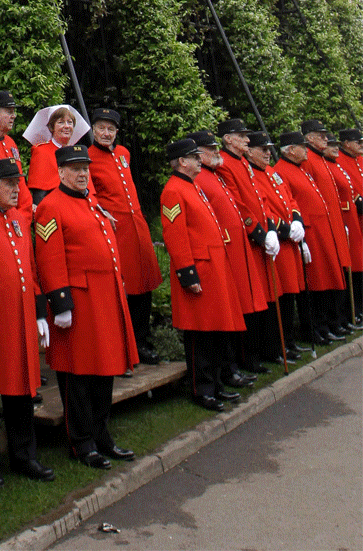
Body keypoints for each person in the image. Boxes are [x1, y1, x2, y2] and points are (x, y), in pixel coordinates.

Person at [34, 144, 138, 465]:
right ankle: (82, 443)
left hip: (103, 299)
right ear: (61, 172)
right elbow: (49, 259)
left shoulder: (92, 202)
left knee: (103, 371)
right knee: (78, 374)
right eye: (76, 169)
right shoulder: (51, 206)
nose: (82, 174)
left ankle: (101, 435)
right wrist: (60, 302)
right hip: (78, 302)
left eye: (85, 169)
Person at [0, 157, 53, 488]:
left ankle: (25, 454)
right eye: (10, 184)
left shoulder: (18, 218)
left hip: (19, 315)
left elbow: (28, 266)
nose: (18, 190)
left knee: (22, 388)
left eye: (18, 183)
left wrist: (39, 309)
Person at [159, 138, 246, 411]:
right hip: (199, 271)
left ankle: (217, 384)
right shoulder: (173, 190)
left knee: (216, 331)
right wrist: (187, 273)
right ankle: (203, 389)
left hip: (213, 268)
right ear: (182, 161)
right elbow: (176, 236)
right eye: (195, 157)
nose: (200, 160)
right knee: (200, 336)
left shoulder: (191, 186)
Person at [190, 130, 269, 376]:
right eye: (210, 150)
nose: (216, 153)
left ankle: (236, 363)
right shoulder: (201, 178)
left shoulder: (214, 174)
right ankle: (230, 366)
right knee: (229, 312)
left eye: (215, 148)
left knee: (240, 308)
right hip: (221, 250)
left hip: (236, 246)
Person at [88, 108, 161, 363]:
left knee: (144, 284)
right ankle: (125, 347)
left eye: (110, 129)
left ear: (116, 132)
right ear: (93, 130)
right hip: (116, 228)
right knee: (124, 288)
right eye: (101, 129)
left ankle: (142, 340)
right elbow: (90, 193)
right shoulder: (88, 157)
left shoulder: (123, 154)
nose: (106, 133)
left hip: (136, 226)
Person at [216, 117, 284, 363]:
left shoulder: (243, 161)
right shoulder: (225, 164)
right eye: (241, 135)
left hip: (262, 234)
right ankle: (250, 355)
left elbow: (258, 199)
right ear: (228, 139)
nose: (247, 139)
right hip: (248, 238)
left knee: (266, 296)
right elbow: (238, 203)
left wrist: (270, 227)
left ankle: (269, 349)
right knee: (252, 300)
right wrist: (257, 231)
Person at [275, 130, 347, 344]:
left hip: (318, 229)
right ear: (290, 150)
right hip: (307, 232)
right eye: (301, 146)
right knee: (314, 283)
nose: (305, 150)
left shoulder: (300, 168)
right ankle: (313, 328)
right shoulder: (283, 170)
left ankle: (325, 325)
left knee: (324, 280)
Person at [245, 132, 308, 359]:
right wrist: (283, 228)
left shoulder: (272, 173)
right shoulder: (252, 175)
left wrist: (297, 220)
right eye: (262, 150)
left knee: (290, 294)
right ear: (249, 152)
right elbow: (265, 210)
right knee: (278, 297)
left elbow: (289, 199)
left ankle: (289, 341)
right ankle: (277, 346)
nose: (267, 153)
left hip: (289, 242)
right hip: (277, 242)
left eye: (268, 149)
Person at [25, 104, 91, 204]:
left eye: (70, 122)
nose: (67, 126)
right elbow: (39, 194)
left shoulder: (78, 151)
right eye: (61, 122)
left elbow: (89, 192)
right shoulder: (41, 151)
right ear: (52, 127)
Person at [0, 90, 33, 212]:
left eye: (13, 111)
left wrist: (22, 218)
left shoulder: (10, 142)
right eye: (9, 111)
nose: (14, 115)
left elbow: (20, 186)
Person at [336, 129, 363, 318]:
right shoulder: (340, 162)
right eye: (357, 142)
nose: (361, 145)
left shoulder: (359, 159)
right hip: (355, 219)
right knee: (357, 264)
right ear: (346, 143)